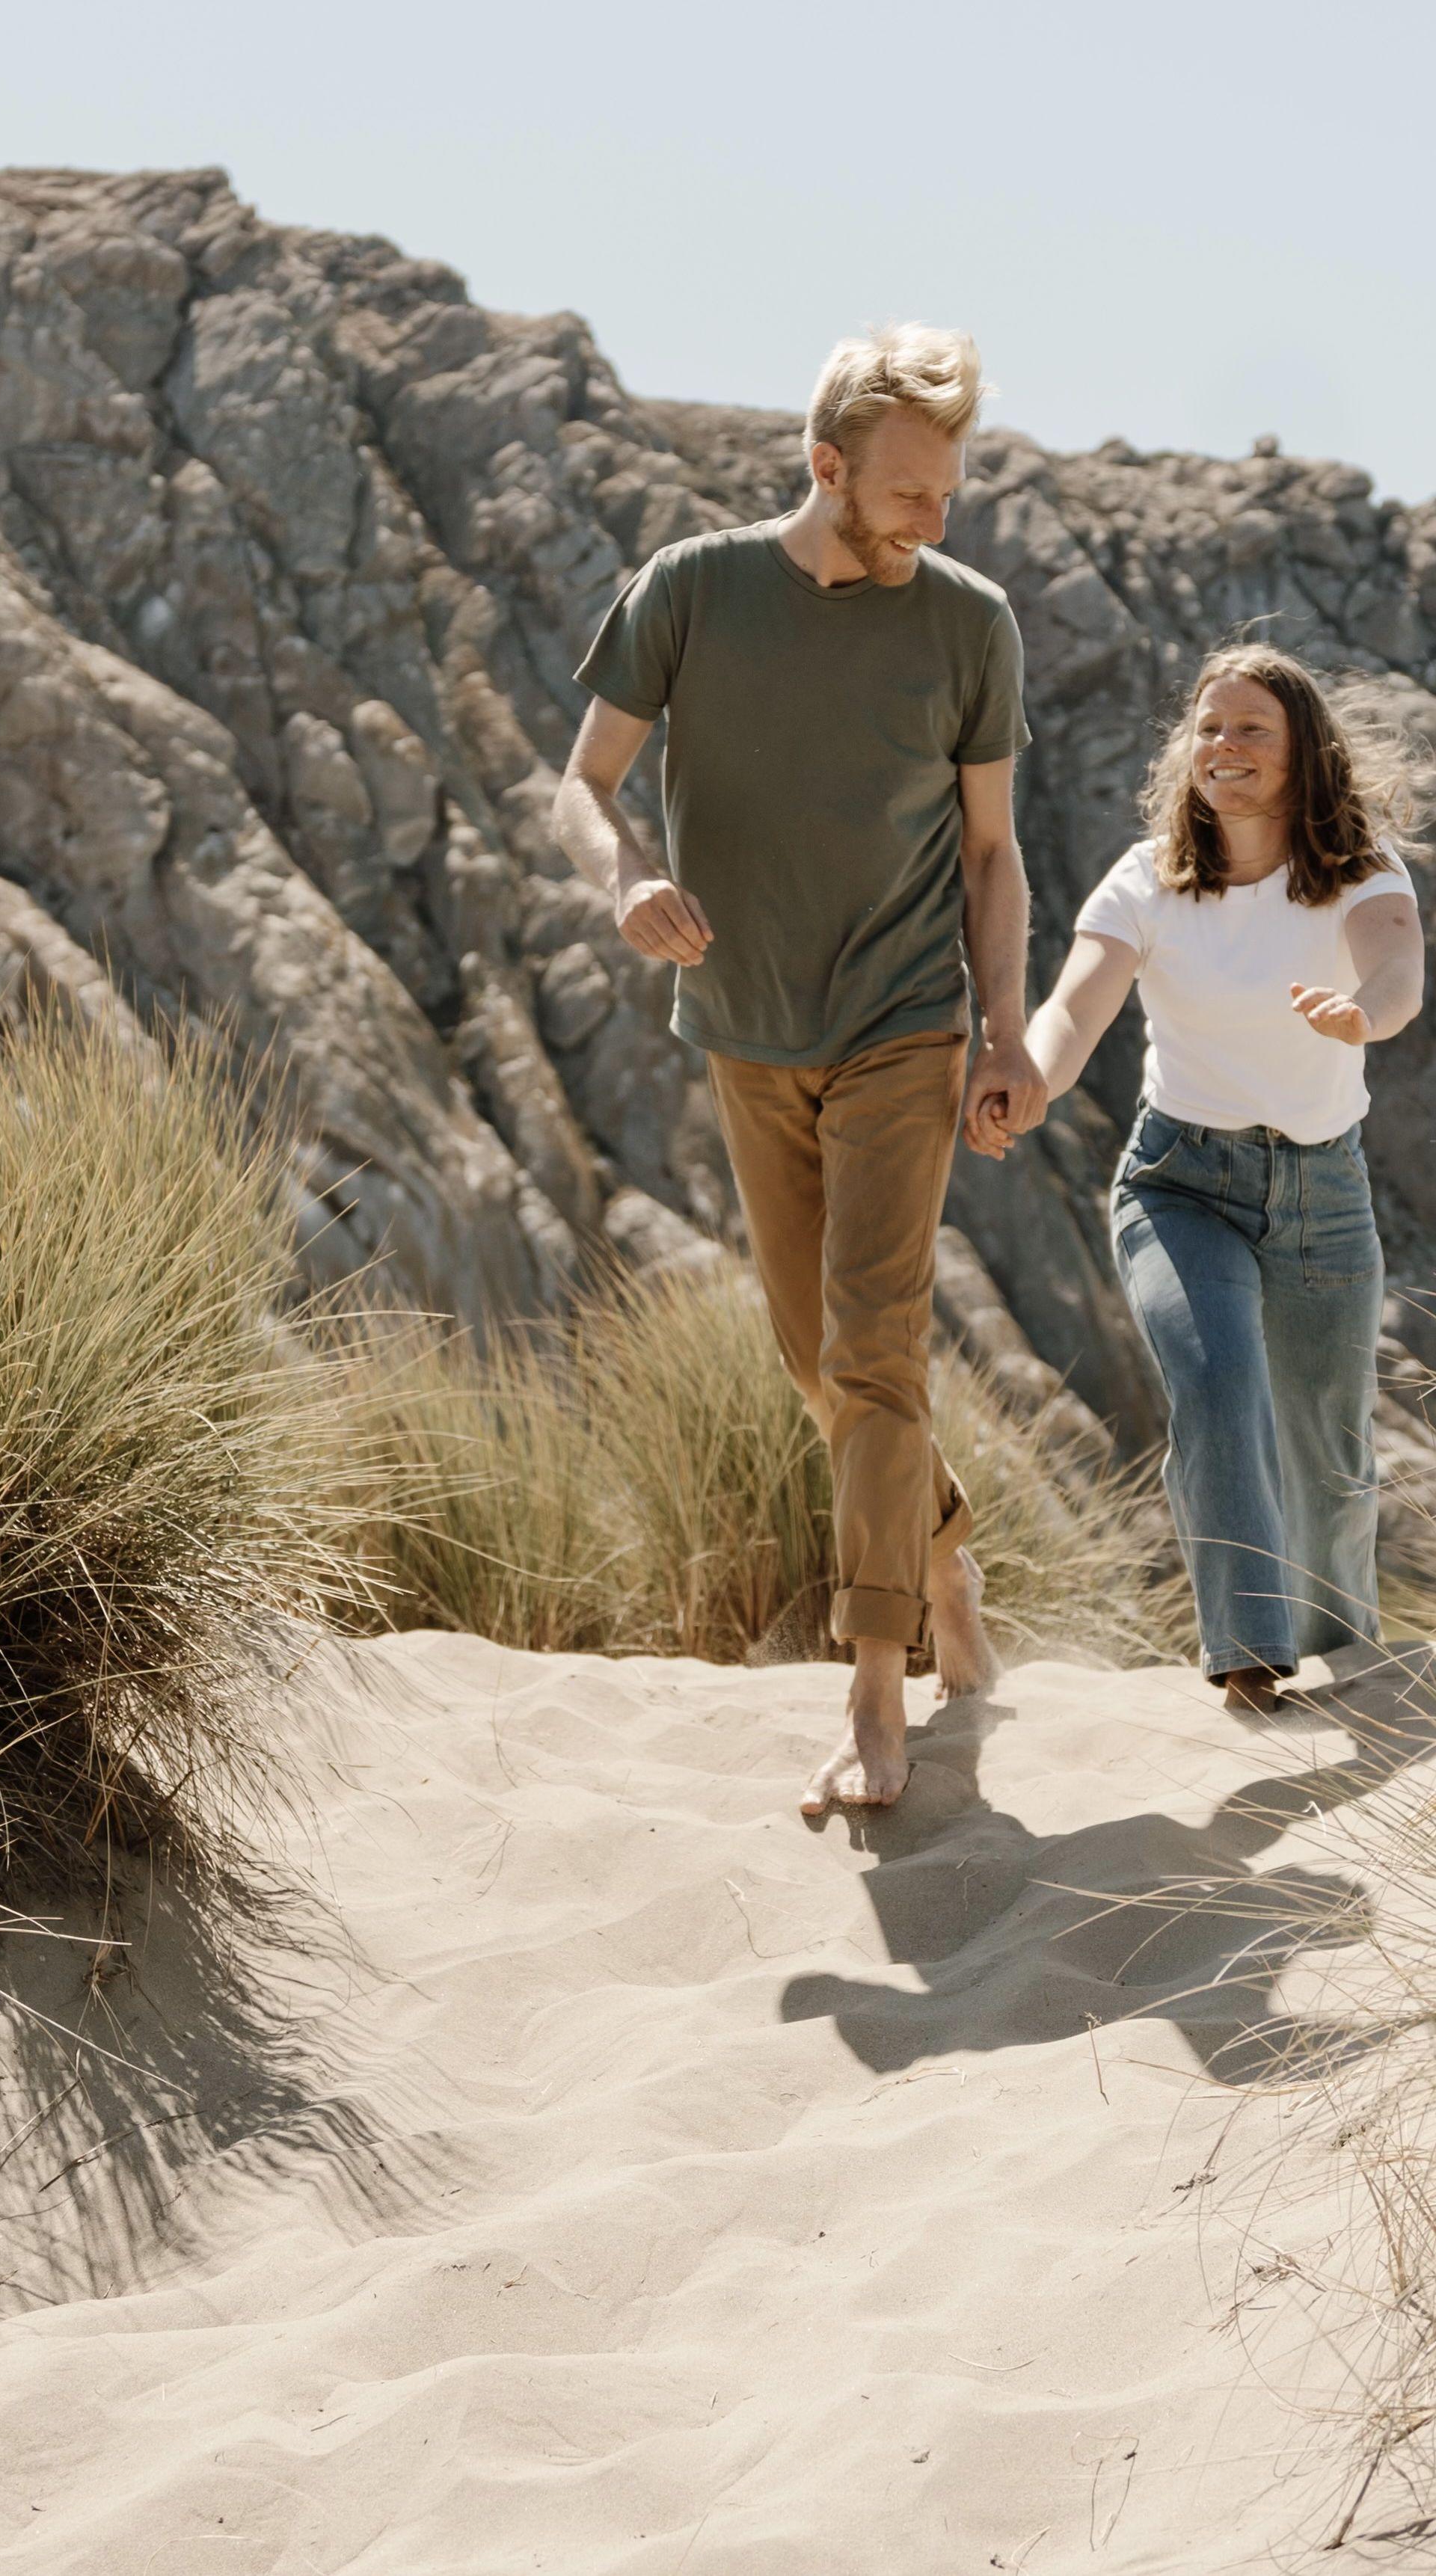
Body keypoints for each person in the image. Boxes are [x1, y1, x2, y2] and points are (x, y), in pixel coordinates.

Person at [541, 323, 1036, 1820]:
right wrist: (626, 877)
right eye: (909, 492)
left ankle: (877, 1699)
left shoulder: (970, 624)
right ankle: (940, 1559)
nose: (935, 517)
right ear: (827, 466)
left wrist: (1004, 1029)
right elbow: (582, 783)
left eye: (948, 491)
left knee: (876, 1349)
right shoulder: (691, 591)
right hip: (747, 1030)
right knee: (817, 1360)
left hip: (904, 1023)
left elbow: (994, 853)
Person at [1008, 646, 1424, 1712]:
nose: (1224, 746)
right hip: (1178, 1182)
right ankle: (1247, 1657)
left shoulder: (1361, 869)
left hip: (1322, 1191)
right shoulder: (1146, 878)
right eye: (1209, 727)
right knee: (1218, 1385)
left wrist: (1360, 1016)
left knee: (1329, 1453)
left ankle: (1343, 1655)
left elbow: (1396, 969)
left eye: (1252, 729)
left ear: (1303, 753)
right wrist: (1031, 1080)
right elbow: (1073, 1009)